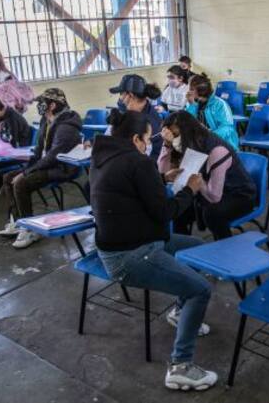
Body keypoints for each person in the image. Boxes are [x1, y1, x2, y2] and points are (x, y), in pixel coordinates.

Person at [90, 108, 217, 391]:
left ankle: (179, 313)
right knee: (200, 290)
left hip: (129, 242)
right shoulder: (137, 161)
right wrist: (190, 189)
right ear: (136, 139)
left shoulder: (103, 157)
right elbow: (165, 212)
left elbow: (126, 189)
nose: (150, 144)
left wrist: (162, 179)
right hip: (130, 254)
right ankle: (181, 366)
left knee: (198, 250)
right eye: (148, 139)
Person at [0, 88, 82, 249]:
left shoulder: (66, 127)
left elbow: (53, 157)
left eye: (42, 103)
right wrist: (27, 167)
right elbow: (39, 150)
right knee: (8, 177)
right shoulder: (46, 120)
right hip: (46, 164)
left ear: (52, 105)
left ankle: (30, 229)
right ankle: (20, 222)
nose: (39, 106)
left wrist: (26, 172)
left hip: (62, 167)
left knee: (21, 183)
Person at [159, 111, 257, 240]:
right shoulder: (190, 143)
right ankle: (183, 246)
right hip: (209, 188)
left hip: (240, 195)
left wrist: (198, 182)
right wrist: (166, 145)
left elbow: (214, 196)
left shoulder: (216, 150)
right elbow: (163, 171)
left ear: (187, 132)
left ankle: (224, 247)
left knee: (212, 213)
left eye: (175, 135)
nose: (173, 140)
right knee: (178, 206)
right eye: (170, 136)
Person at [110, 74, 163, 160]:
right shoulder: (136, 114)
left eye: (121, 94)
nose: (120, 99)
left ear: (130, 96)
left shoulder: (148, 122)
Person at [185, 74, 239, 151]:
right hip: (201, 143)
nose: (188, 92)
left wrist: (208, 137)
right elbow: (187, 124)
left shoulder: (220, 104)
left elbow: (227, 129)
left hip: (222, 145)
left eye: (191, 89)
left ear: (201, 91)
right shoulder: (192, 103)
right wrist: (192, 106)